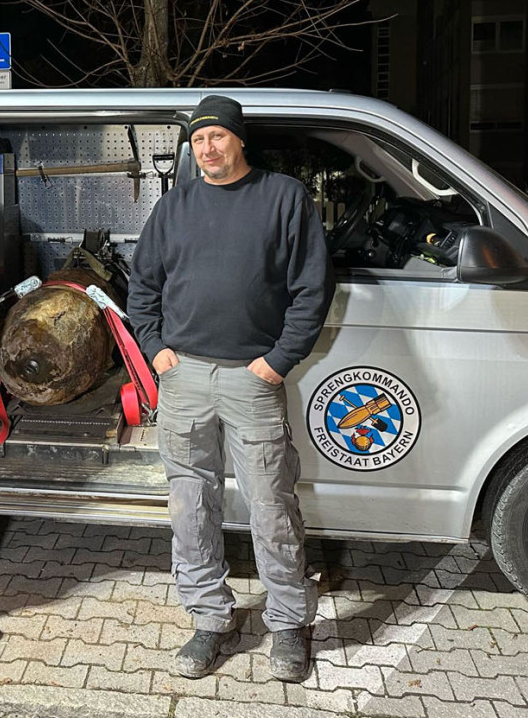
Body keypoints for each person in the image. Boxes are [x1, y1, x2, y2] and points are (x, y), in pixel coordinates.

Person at [127, 94, 335, 682]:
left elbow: (312, 289)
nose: (208, 148)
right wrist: (156, 349)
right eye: (198, 140)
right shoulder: (175, 206)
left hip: (252, 378)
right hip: (184, 375)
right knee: (190, 504)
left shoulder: (283, 197)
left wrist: (277, 362)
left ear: (239, 140)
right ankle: (209, 620)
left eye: (217, 137)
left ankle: (289, 624)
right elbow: (142, 282)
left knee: (272, 504)